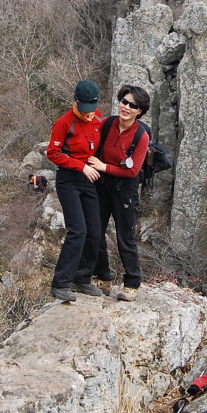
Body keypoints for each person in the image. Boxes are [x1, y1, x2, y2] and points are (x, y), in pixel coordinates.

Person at [82, 85, 151, 302]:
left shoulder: (141, 135)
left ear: (139, 111)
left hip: (125, 188)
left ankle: (132, 284)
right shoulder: (108, 123)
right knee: (95, 231)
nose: (127, 107)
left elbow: (132, 170)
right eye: (124, 101)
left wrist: (102, 166)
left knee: (125, 236)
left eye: (133, 105)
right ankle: (103, 278)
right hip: (101, 185)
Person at [46, 79, 105, 302]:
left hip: (89, 179)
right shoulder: (64, 122)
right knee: (77, 230)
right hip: (69, 179)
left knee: (95, 231)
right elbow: (53, 153)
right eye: (83, 109)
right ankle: (60, 284)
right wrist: (79, 165)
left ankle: (82, 279)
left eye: (90, 109)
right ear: (76, 102)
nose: (87, 113)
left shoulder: (98, 117)